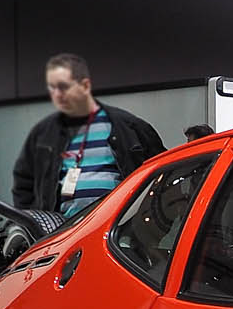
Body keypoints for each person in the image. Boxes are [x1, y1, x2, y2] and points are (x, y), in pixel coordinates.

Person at [11, 53, 164, 221]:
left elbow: (162, 173)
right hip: (62, 230)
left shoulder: (127, 126)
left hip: (118, 228)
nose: (57, 94)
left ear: (85, 85)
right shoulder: (43, 134)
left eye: (63, 87)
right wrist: (34, 224)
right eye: (52, 88)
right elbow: (23, 186)